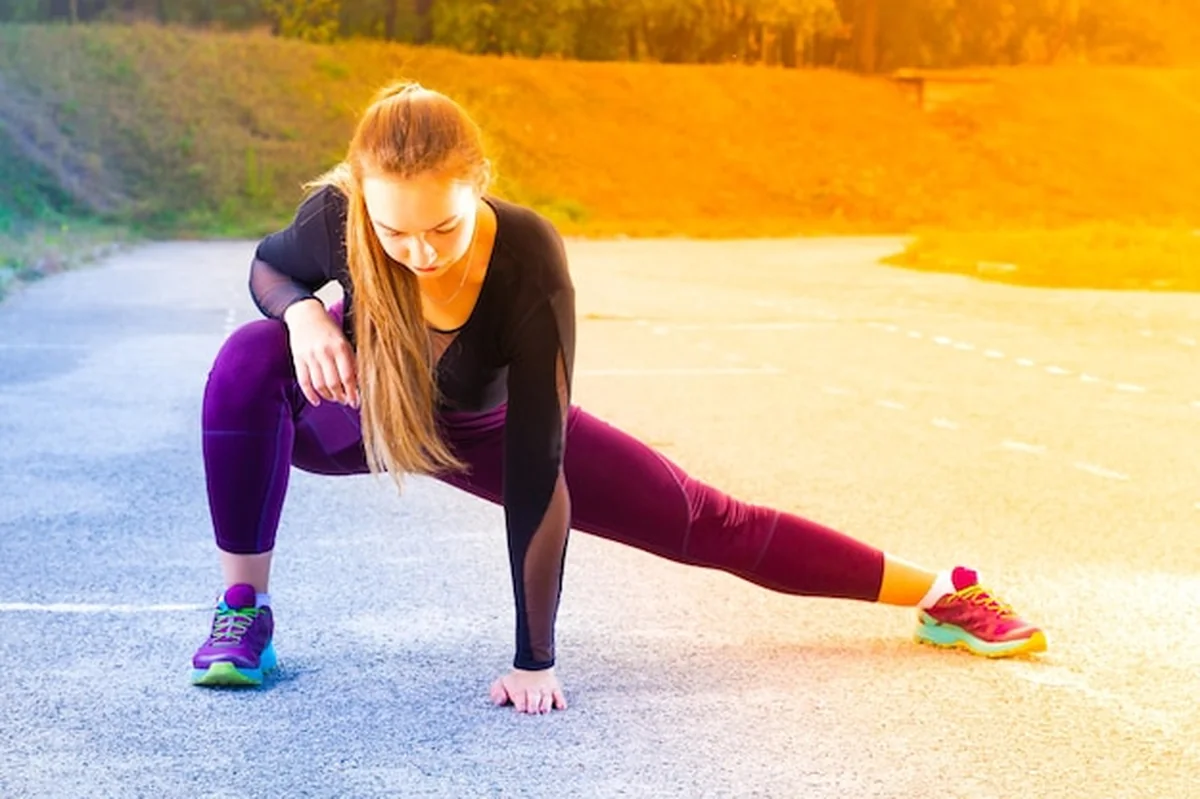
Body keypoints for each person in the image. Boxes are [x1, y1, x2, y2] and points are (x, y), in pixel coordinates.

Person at [192, 80, 1047, 714]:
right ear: (361, 198)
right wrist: (305, 312)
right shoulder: (338, 215)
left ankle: (941, 592)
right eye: (394, 230)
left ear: (479, 184)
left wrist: (535, 656)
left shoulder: (527, 256)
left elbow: (537, 462)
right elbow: (271, 265)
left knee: (711, 520)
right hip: (358, 419)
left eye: (442, 227)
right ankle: (244, 611)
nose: (418, 250)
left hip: (487, 432)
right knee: (249, 354)